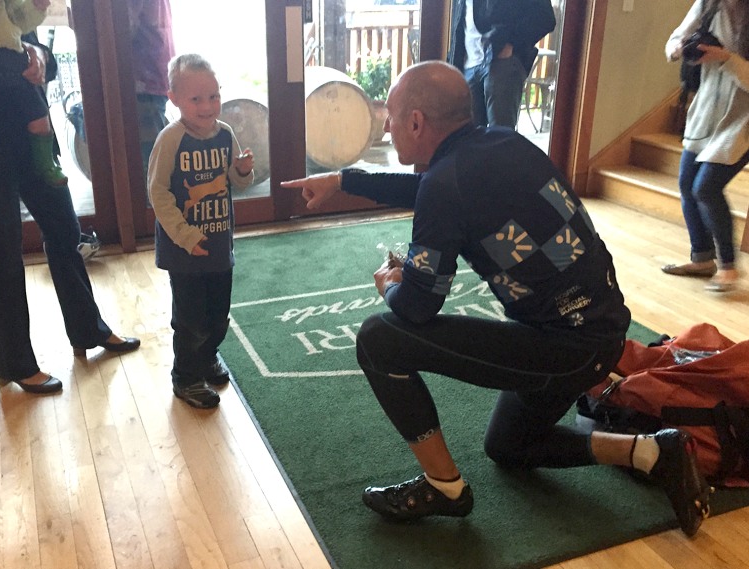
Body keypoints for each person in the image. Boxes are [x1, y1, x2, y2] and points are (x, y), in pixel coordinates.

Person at [281, 61, 713, 536]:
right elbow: (432, 188)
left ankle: (443, 487)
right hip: (601, 330)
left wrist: (391, 285)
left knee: (380, 337)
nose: (385, 124)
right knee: (508, 447)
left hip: (568, 348)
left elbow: (419, 307)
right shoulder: (506, 142)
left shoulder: (446, 185)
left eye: (391, 115)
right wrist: (344, 180)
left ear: (417, 122)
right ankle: (653, 451)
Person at [0, 33, 140, 395]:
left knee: (65, 233)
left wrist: (38, 54)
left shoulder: (12, 9)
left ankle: (88, 330)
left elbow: (44, 62)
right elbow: (6, 67)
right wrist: (18, 61)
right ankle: (15, 364)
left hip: (35, 142)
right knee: (1, 251)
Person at [148, 54, 254, 409]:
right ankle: (187, 378)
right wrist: (185, 235)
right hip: (185, 249)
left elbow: (236, 183)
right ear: (174, 98)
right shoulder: (170, 139)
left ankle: (207, 357)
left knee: (217, 314)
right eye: (196, 99)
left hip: (219, 242)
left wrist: (241, 170)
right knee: (191, 318)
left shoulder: (225, 134)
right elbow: (158, 192)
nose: (207, 106)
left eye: (214, 96)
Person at [661, 0, 748, 293]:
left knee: (706, 188)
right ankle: (702, 258)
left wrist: (725, 58)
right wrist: (678, 49)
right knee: (687, 184)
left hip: (743, 120)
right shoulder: (708, 5)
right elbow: (675, 38)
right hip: (707, 110)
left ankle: (728, 266)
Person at [0, 0, 67, 185]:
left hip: (30, 135)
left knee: (58, 210)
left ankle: (46, 163)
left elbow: (48, 65)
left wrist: (38, 52)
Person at [447, 0, 555, 129]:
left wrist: (511, 43)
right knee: (469, 138)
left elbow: (545, 17)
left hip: (502, 63)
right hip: (467, 66)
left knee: (500, 136)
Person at [127, 0, 175, 181]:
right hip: (153, 74)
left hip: (142, 78)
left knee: (150, 162)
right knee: (154, 156)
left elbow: (124, 27)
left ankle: (153, 207)